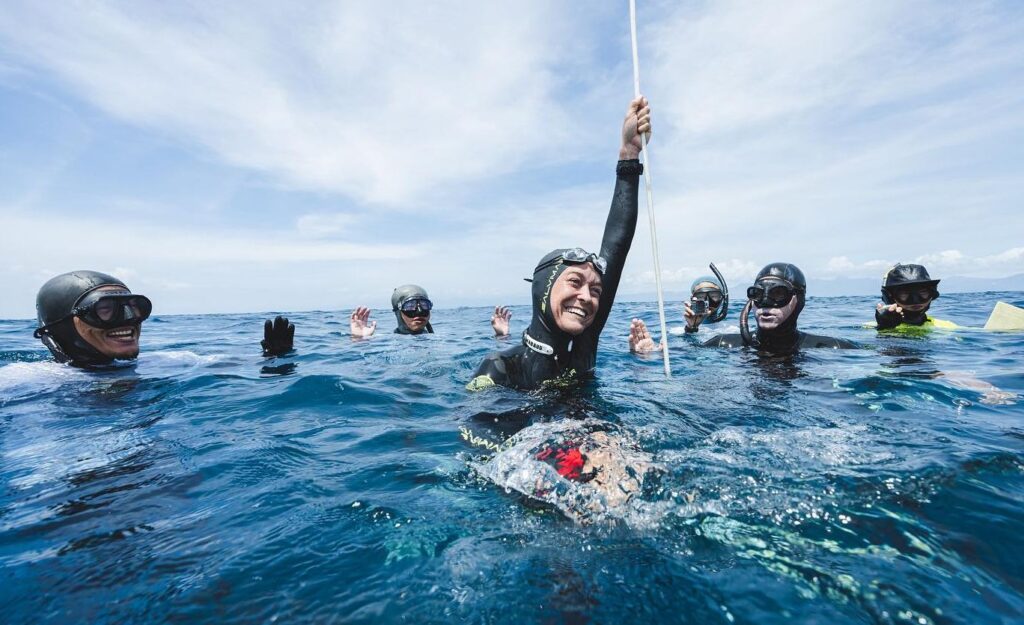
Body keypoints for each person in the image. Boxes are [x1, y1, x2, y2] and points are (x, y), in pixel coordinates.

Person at [467, 96, 651, 390]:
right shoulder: (500, 367)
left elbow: (617, 242)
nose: (587, 298)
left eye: (595, 290)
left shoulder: (585, 342)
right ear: (543, 288)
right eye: (575, 282)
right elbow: (474, 432)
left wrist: (629, 152)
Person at [703, 262, 856, 353]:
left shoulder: (833, 348)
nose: (766, 303)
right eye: (758, 294)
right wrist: (691, 330)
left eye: (777, 294)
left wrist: (881, 331)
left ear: (799, 300)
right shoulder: (722, 343)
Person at [33, 270, 152, 367]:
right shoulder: (33, 380)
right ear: (64, 325)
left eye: (133, 306)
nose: (128, 318)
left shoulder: (161, 364)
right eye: (105, 308)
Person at [629, 264, 729, 353]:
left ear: (722, 299)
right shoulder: (677, 331)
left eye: (714, 296)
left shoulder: (731, 331)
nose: (707, 301)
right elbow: (677, 352)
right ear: (692, 299)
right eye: (701, 296)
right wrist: (691, 329)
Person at [874, 263, 956, 331]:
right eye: (905, 294)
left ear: (933, 294)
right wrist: (884, 330)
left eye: (923, 293)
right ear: (889, 297)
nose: (915, 300)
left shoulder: (948, 328)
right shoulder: (872, 328)